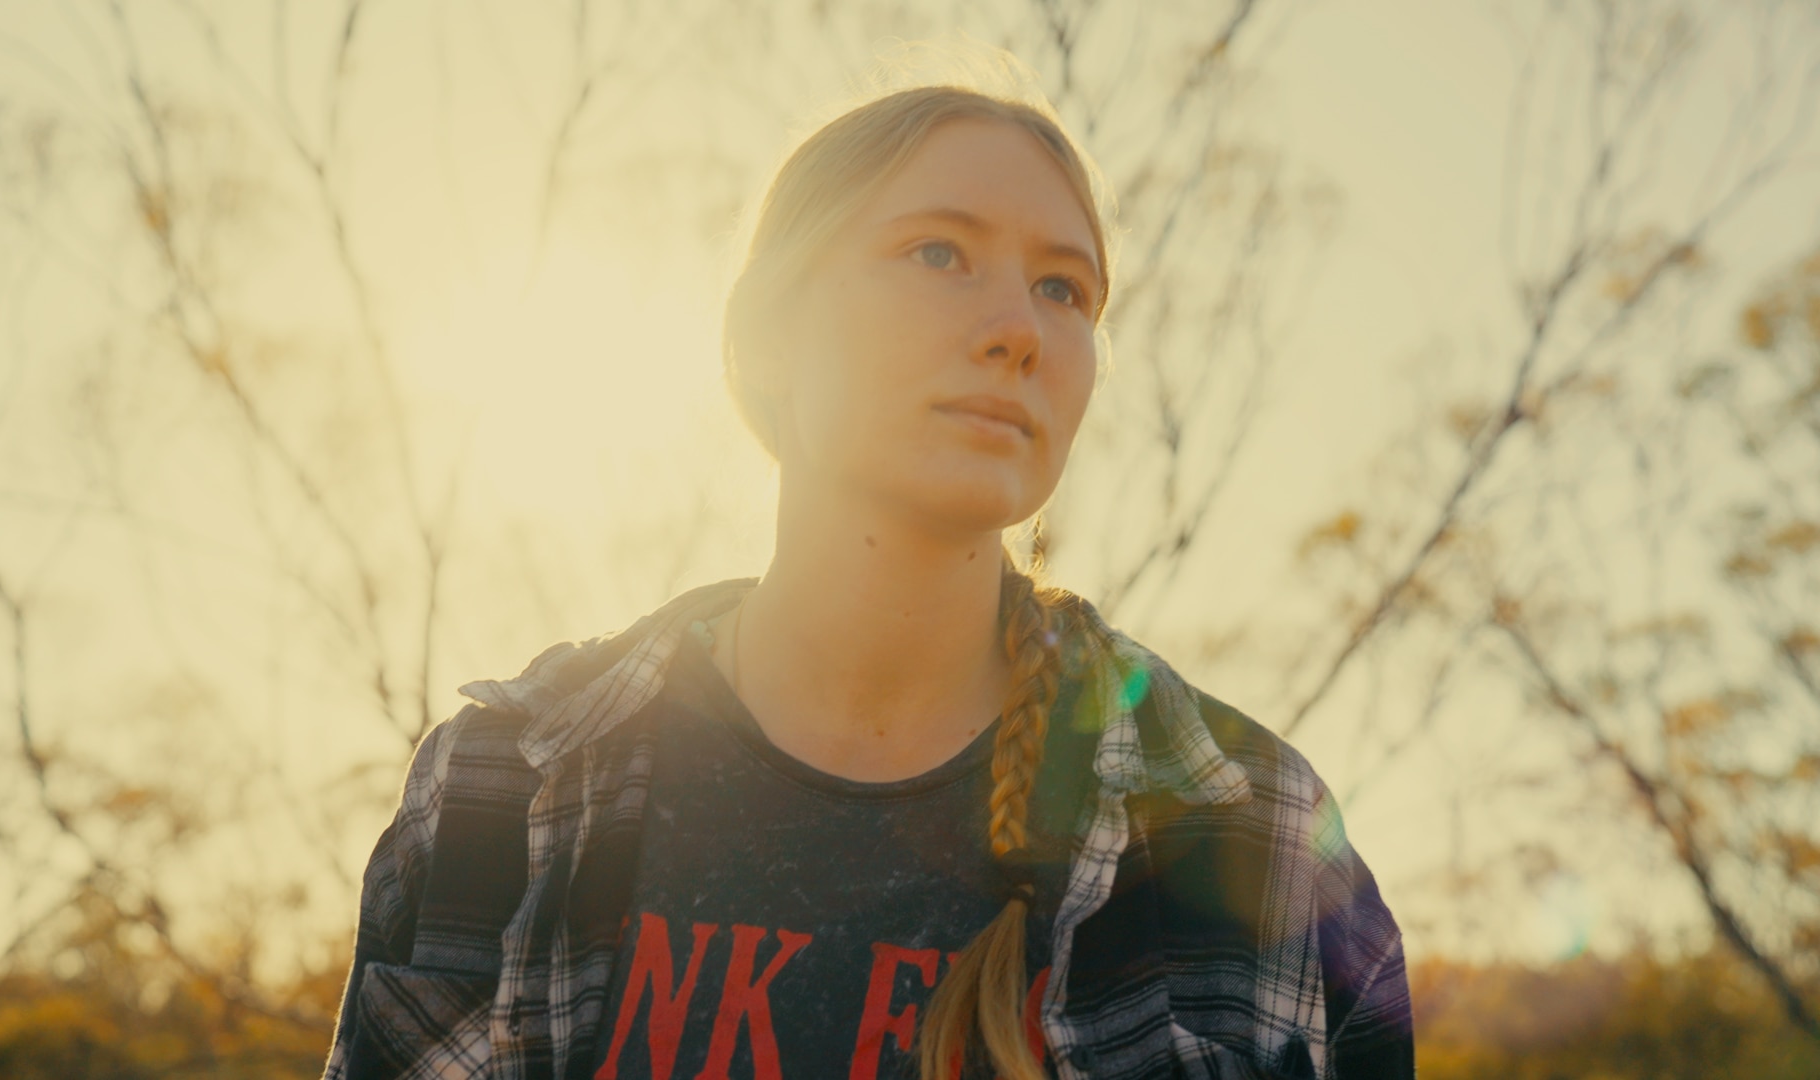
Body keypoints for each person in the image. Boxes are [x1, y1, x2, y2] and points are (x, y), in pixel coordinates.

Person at [323, 80, 1413, 1080]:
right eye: (939, 253)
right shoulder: (504, 788)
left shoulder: (1249, 830)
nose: (1017, 331)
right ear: (771, 333)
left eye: (1062, 288)